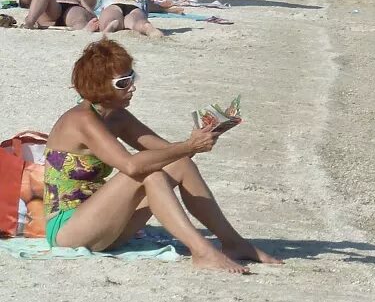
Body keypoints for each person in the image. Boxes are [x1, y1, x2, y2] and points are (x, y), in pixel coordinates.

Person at [40, 39, 276, 271]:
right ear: (99, 86)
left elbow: (168, 153)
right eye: (123, 83)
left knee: (180, 164)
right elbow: (131, 166)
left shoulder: (117, 117)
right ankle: (202, 252)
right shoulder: (82, 120)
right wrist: (189, 145)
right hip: (68, 228)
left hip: (103, 221)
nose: (132, 86)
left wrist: (202, 137)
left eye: (132, 77)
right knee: (150, 175)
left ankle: (233, 242)